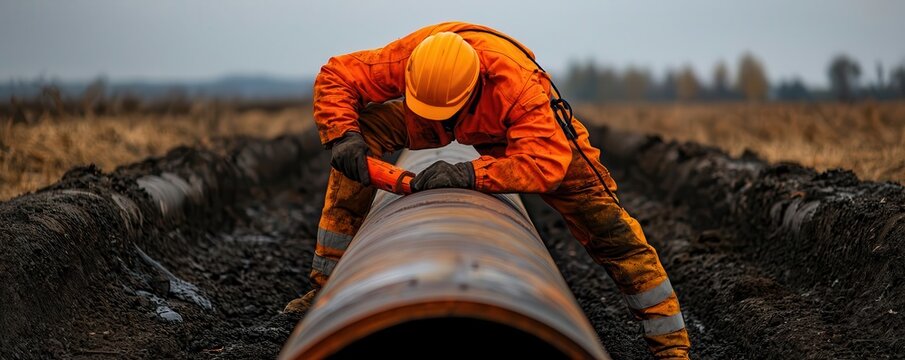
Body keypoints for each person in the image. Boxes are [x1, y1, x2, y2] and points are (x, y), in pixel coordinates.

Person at [284, 21, 690, 359]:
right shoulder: (416, 60)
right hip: (441, 113)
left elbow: (545, 164)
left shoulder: (520, 86)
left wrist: (469, 175)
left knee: (612, 233)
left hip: (525, 139)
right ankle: (327, 286)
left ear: (474, 87)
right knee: (359, 140)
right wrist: (343, 134)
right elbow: (338, 73)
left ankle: (670, 348)